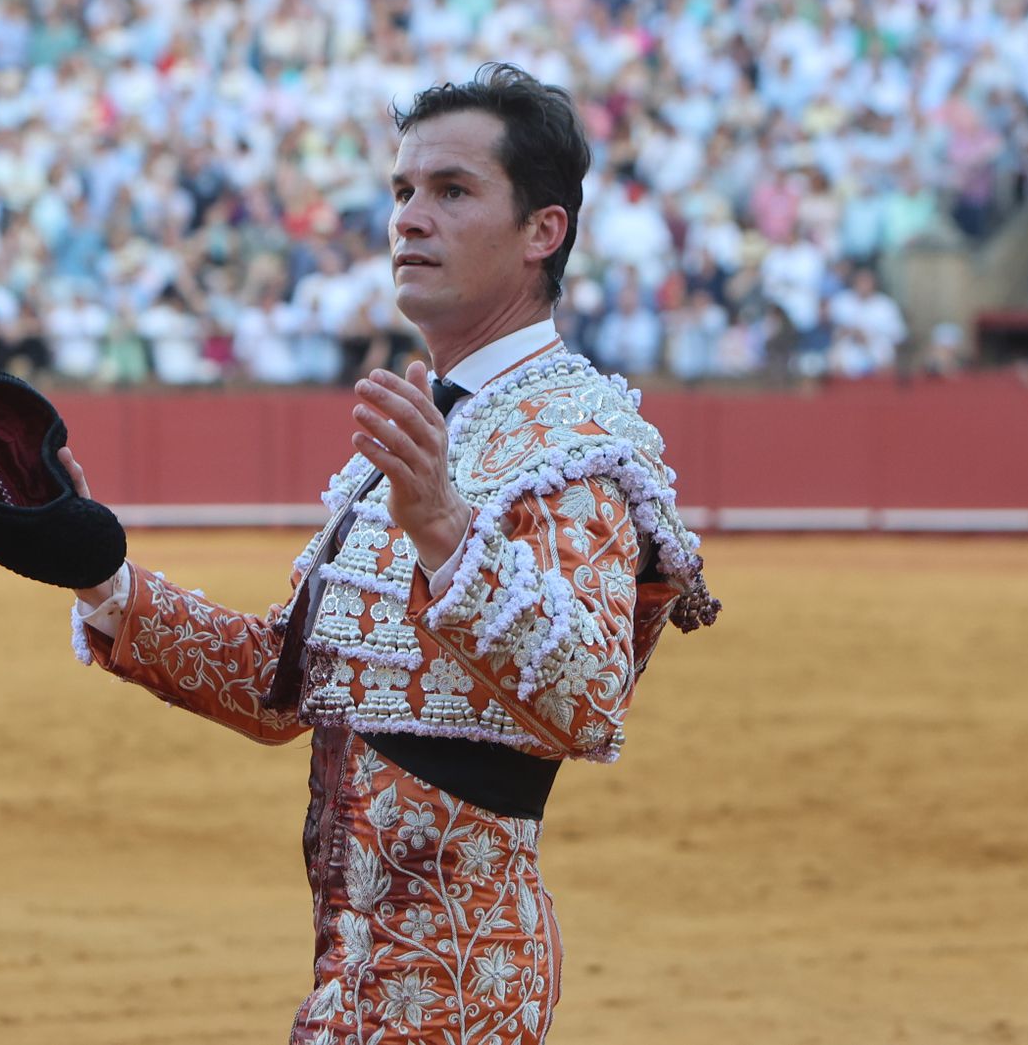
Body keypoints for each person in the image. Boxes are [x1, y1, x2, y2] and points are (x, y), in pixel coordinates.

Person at [57, 64, 718, 1043]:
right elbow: (278, 684)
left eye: (451, 191)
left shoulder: (578, 439)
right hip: (353, 984)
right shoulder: (415, 436)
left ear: (544, 230)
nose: (408, 217)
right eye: (403, 190)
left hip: (462, 983)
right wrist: (95, 571)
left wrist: (446, 525)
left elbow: (589, 697)